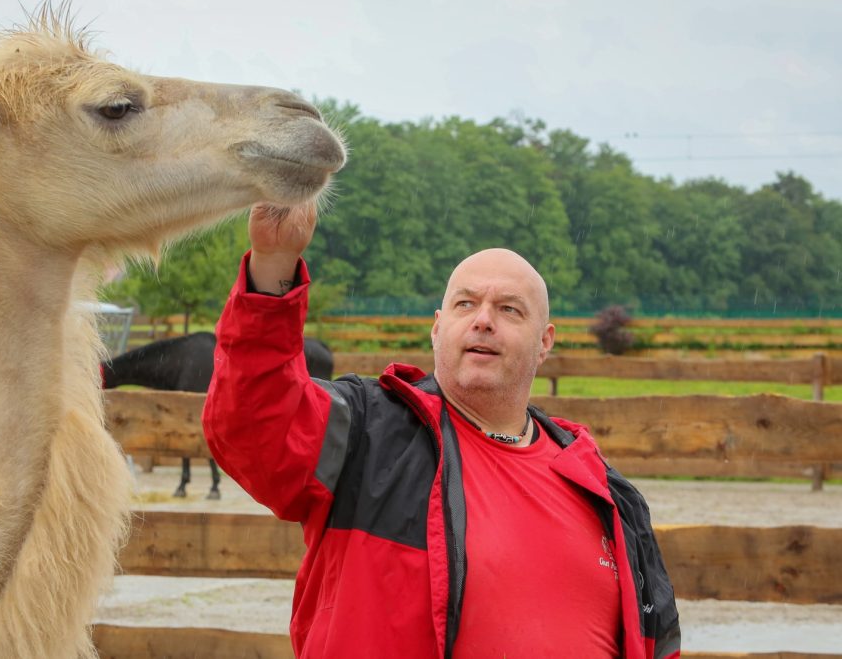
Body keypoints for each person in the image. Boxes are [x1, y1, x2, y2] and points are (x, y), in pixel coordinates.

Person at [202, 203, 681, 658]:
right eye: (465, 304)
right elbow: (253, 424)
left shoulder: (604, 491)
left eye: (510, 309)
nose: (483, 321)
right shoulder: (368, 434)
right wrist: (274, 263)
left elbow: (654, 641)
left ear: (545, 342)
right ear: (437, 328)